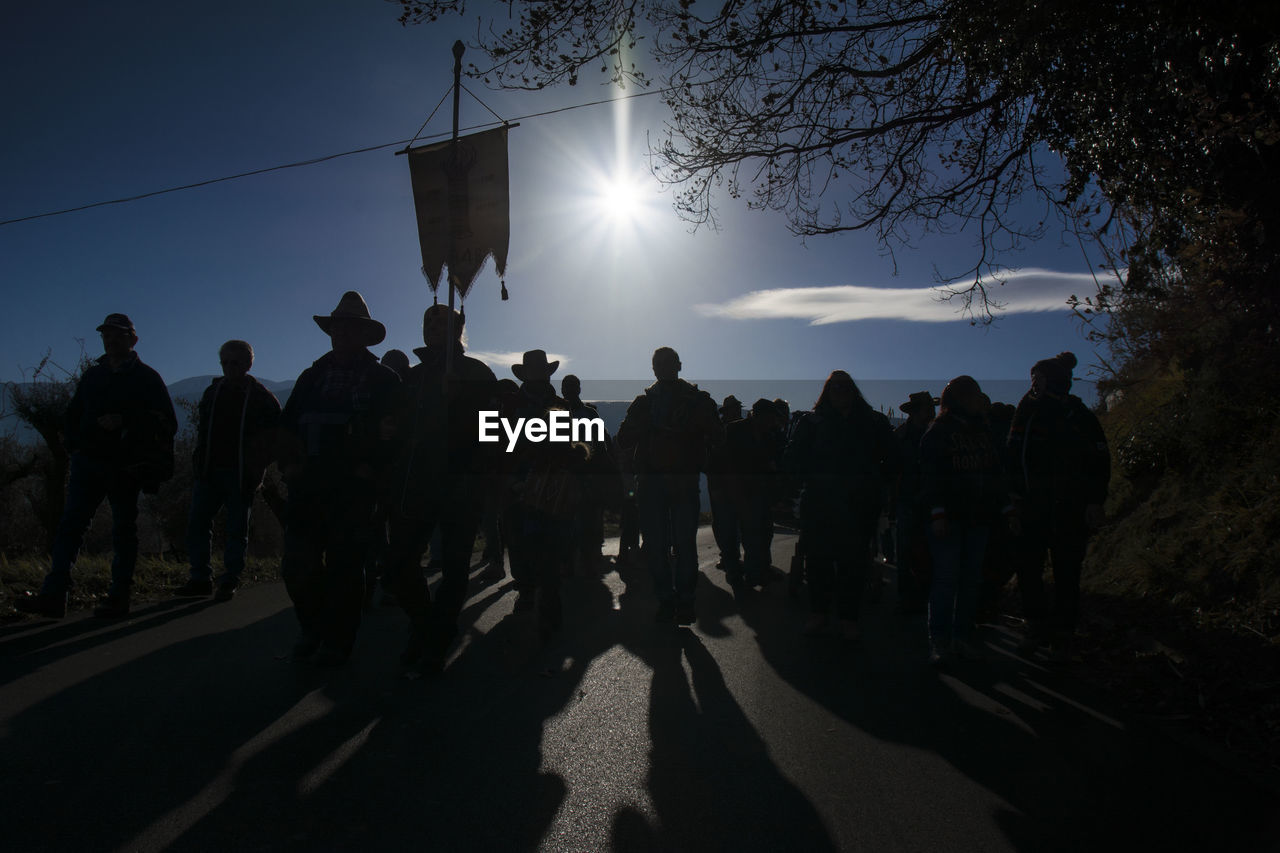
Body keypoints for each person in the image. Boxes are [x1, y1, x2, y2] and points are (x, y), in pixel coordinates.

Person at [17, 313, 177, 619]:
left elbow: (166, 423)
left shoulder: (147, 379)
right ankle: (55, 595)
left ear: (133, 339)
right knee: (72, 527)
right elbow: (73, 412)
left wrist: (126, 421)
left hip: (125, 466)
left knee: (122, 531)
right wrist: (75, 445)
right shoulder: (93, 376)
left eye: (117, 335)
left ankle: (118, 596)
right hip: (88, 462)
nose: (111, 340)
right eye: (106, 335)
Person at [278, 291, 401, 667]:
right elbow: (287, 426)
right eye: (337, 327)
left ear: (365, 334)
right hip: (308, 485)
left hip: (354, 489)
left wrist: (373, 471)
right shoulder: (311, 376)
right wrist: (288, 464)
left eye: (350, 327)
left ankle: (336, 643)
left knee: (346, 568)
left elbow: (396, 434)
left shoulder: (384, 380)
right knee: (298, 566)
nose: (342, 333)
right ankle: (312, 627)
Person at [386, 304, 497, 672]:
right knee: (400, 565)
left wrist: (461, 401)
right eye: (427, 322)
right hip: (415, 483)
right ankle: (426, 626)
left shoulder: (477, 373)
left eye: (442, 321)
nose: (432, 327)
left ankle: (438, 635)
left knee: (453, 567)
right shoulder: (413, 379)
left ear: (458, 328)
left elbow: (492, 433)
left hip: (461, 483)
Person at [1008, 351, 1110, 662]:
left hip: (1071, 507)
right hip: (1033, 506)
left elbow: (1099, 460)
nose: (1033, 384)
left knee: (1067, 572)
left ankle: (1062, 635)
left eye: (1037, 378)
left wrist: (1095, 500)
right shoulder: (1029, 413)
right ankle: (1036, 625)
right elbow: (1014, 457)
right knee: (1029, 569)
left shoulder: (1078, 416)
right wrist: (1014, 500)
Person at [784, 370, 897, 640]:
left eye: (845, 388)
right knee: (819, 560)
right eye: (835, 388)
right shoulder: (811, 422)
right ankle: (818, 613)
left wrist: (879, 484)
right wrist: (802, 480)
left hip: (860, 503)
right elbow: (793, 457)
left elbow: (893, 457)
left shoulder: (874, 422)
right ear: (827, 391)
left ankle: (849, 619)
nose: (841, 392)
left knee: (854, 561)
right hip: (820, 501)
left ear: (853, 390)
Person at [616, 347, 723, 624]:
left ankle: (674, 602)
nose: (662, 368)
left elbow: (623, 440)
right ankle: (677, 602)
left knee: (667, 545)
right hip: (671, 482)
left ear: (677, 365)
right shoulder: (691, 400)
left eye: (665, 363)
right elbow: (625, 440)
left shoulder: (652, 402)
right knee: (673, 545)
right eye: (659, 364)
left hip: (666, 483)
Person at [175, 340, 281, 602]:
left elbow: (277, 437)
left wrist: (257, 468)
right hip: (209, 470)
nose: (230, 367)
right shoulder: (213, 392)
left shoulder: (261, 397)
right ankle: (200, 578)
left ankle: (230, 579)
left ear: (248, 364)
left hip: (241, 475)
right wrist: (199, 461)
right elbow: (203, 430)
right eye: (226, 362)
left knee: (237, 529)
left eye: (236, 363)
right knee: (198, 524)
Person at [918, 377, 1013, 665]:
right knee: (946, 579)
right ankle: (940, 639)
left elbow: (996, 474)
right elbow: (930, 476)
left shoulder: (982, 432)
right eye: (973, 395)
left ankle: (961, 637)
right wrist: (938, 513)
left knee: (971, 580)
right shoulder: (939, 432)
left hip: (979, 517)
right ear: (960, 398)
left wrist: (1007, 508)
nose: (978, 399)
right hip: (949, 518)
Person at [502, 350, 574, 639]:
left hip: (549, 487)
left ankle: (547, 605)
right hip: (515, 481)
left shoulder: (560, 406)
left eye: (541, 368)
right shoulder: (510, 404)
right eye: (533, 368)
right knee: (517, 541)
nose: (538, 372)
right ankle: (527, 589)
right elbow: (498, 441)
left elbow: (566, 445)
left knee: (549, 547)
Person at [723, 398, 785, 587]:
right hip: (738, 488)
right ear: (758, 416)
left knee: (764, 531)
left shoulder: (770, 435)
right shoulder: (735, 430)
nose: (771, 422)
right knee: (745, 533)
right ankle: (744, 572)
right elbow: (727, 460)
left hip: (760, 491)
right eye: (769, 417)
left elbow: (774, 463)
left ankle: (759, 570)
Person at [892, 391, 937, 615]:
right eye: (928, 408)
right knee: (906, 552)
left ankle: (926, 598)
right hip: (908, 500)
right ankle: (906, 598)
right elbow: (892, 469)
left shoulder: (937, 433)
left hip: (932, 502)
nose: (932, 412)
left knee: (930, 553)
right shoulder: (901, 436)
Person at [708, 395, 744, 576]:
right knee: (724, 520)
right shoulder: (720, 430)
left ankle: (731, 557)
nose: (736, 411)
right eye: (734, 409)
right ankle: (729, 556)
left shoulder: (723, 429)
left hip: (729, 481)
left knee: (730, 519)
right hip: (720, 482)